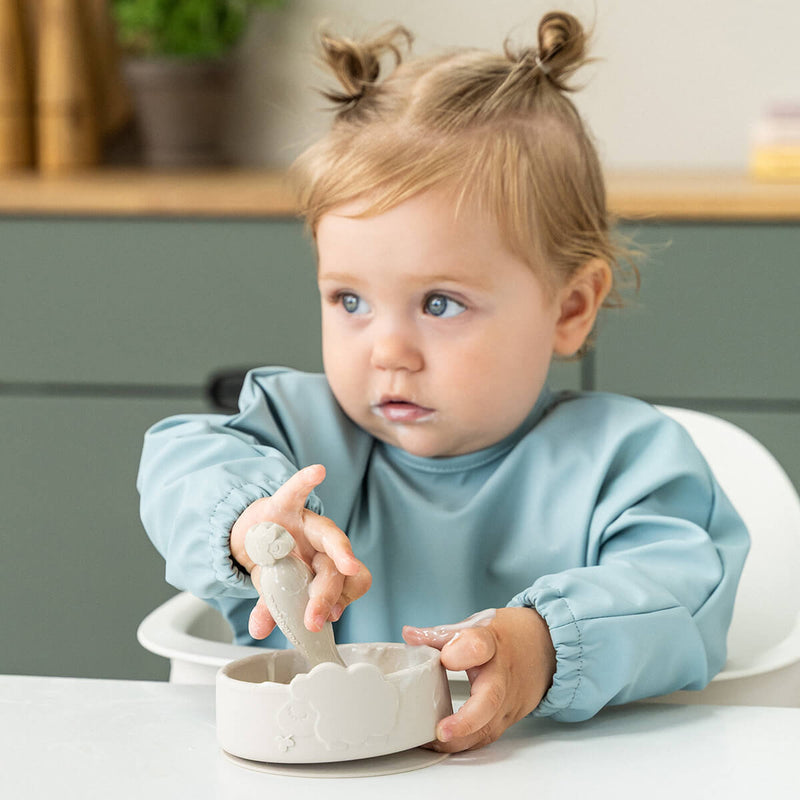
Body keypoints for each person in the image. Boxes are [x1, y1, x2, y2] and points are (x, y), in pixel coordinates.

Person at [137, 11, 749, 752]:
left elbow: (681, 592)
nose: (389, 350)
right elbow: (179, 462)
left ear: (571, 307)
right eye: (350, 300)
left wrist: (542, 646)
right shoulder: (301, 436)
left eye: (440, 303)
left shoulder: (626, 462)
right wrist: (253, 524)